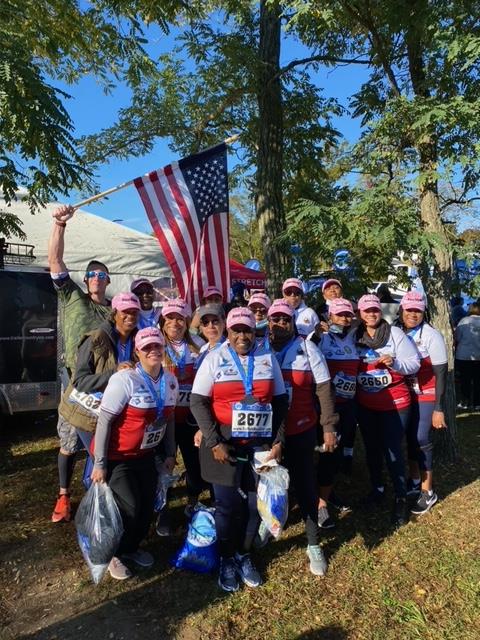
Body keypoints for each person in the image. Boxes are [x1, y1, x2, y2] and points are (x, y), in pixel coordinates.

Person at [190, 307, 288, 592]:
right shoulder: (214, 358)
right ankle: (225, 559)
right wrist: (214, 441)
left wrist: (279, 440)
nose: (242, 336)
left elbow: (281, 402)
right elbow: (198, 401)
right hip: (225, 445)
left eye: (247, 330)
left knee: (255, 507)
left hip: (260, 445)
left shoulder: (268, 358)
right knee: (226, 507)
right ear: (228, 333)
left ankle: (243, 555)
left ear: (254, 332)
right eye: (236, 331)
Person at [90, 327, 178, 580]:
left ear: (164, 348)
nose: (153, 351)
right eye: (147, 347)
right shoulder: (125, 379)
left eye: (157, 346)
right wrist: (100, 463)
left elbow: (169, 420)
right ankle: (112, 553)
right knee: (129, 505)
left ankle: (131, 547)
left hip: (145, 456)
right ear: (137, 351)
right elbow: (105, 421)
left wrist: (170, 453)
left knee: (147, 505)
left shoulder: (169, 380)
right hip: (117, 457)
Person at [48, 204, 111, 523]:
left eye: (101, 274)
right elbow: (56, 262)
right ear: (86, 279)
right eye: (92, 274)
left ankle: (95, 495)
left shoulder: (114, 311)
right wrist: (60, 225)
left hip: (102, 386)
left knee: (99, 441)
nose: (96, 278)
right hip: (74, 380)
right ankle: (63, 497)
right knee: (69, 440)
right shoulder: (72, 296)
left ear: (108, 280)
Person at [267, 299, 337, 575]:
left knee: (306, 486)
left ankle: (313, 544)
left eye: (285, 319)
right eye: (275, 319)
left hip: (301, 428)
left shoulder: (308, 349)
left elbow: (325, 391)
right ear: (268, 322)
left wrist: (329, 427)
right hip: (269, 433)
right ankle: (269, 523)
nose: (280, 324)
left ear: (293, 322)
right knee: (270, 485)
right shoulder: (258, 348)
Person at [355, 294, 420, 526]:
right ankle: (378, 489)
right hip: (366, 405)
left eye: (374, 310)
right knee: (372, 450)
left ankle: (400, 497)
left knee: (393, 451)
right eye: (366, 310)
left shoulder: (394, 333)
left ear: (380, 311)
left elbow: (414, 363)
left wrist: (395, 364)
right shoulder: (356, 336)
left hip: (395, 404)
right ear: (360, 313)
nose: (371, 314)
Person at [59, 293, 141, 452]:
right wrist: (114, 373)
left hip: (118, 413)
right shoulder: (96, 338)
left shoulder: (139, 340)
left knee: (109, 460)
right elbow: (80, 382)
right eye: (125, 311)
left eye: (134, 312)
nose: (130, 316)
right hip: (88, 413)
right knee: (99, 458)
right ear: (114, 313)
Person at [398, 292, 448, 515]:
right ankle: (415, 480)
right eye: (409, 309)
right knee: (409, 437)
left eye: (417, 310)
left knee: (421, 437)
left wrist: (439, 408)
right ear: (402, 310)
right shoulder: (397, 331)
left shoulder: (431, 335)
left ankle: (428, 492)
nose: (413, 314)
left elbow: (441, 373)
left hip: (427, 394)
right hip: (406, 393)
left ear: (423, 312)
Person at [158, 298, 204, 531]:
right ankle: (162, 510)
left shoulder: (198, 345)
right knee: (164, 466)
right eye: (169, 318)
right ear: (162, 322)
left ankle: (193, 503)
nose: (175, 322)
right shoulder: (156, 345)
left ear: (186, 322)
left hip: (190, 418)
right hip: (164, 419)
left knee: (194, 465)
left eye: (179, 318)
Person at [316, 298, 359, 507]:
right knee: (325, 450)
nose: (343, 319)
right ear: (329, 316)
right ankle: (319, 498)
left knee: (337, 451)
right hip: (326, 405)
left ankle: (328, 492)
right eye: (339, 315)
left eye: (347, 315)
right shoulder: (322, 338)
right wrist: (316, 334)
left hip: (348, 404)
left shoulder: (354, 337)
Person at [455, 302, 480, 410]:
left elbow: (457, 337)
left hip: (464, 355)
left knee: (465, 380)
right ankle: (477, 403)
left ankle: (465, 402)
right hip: (478, 355)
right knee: (478, 380)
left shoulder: (463, 321)